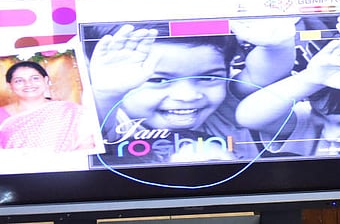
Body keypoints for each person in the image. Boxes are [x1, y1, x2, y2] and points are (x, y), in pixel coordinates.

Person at [83, 18, 297, 164]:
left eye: (208, 77)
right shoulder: (117, 118)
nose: (188, 96)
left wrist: (278, 46)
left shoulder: (223, 111)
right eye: (158, 79)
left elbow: (264, 75)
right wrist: (106, 93)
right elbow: (92, 131)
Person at [234, 14, 340, 156]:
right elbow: (248, 117)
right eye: (319, 117)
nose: (330, 135)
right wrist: (311, 79)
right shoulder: (314, 124)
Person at [0, 61, 97, 152]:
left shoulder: (70, 111)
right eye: (19, 81)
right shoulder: (2, 114)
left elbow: (86, 145)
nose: (28, 84)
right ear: (9, 86)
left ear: (46, 80)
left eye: (35, 78)